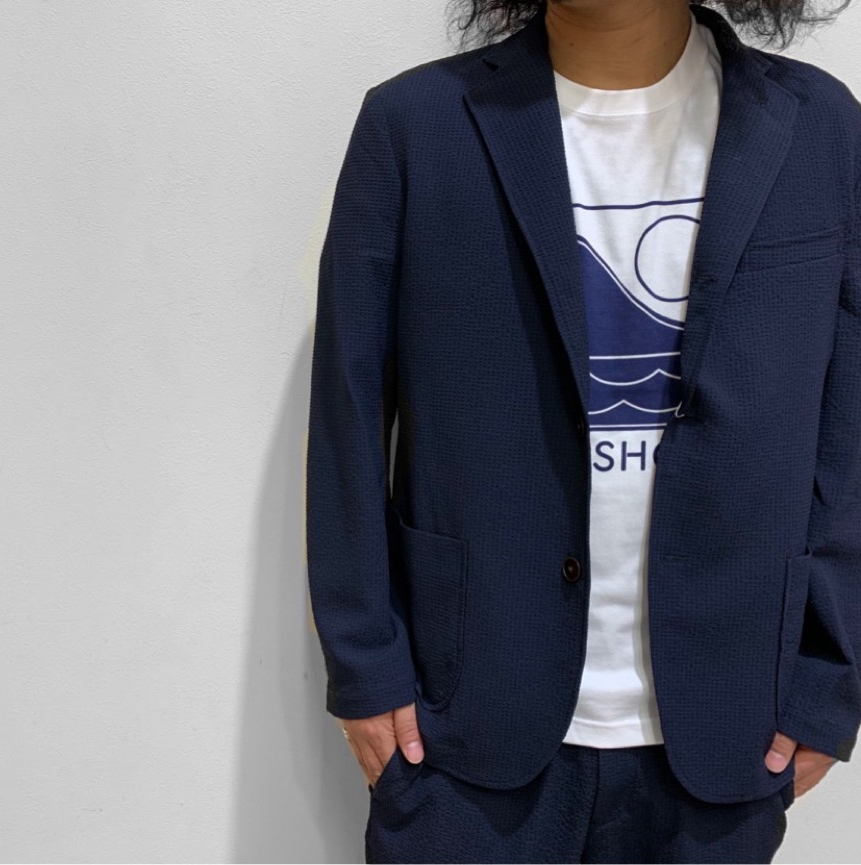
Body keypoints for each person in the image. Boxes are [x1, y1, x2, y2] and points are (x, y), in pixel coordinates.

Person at [305, 0, 861, 861]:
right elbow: (346, 411)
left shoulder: (820, 126)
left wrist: (829, 684)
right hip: (464, 728)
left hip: (727, 730)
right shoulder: (415, 126)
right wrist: (364, 665)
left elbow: (849, 427)